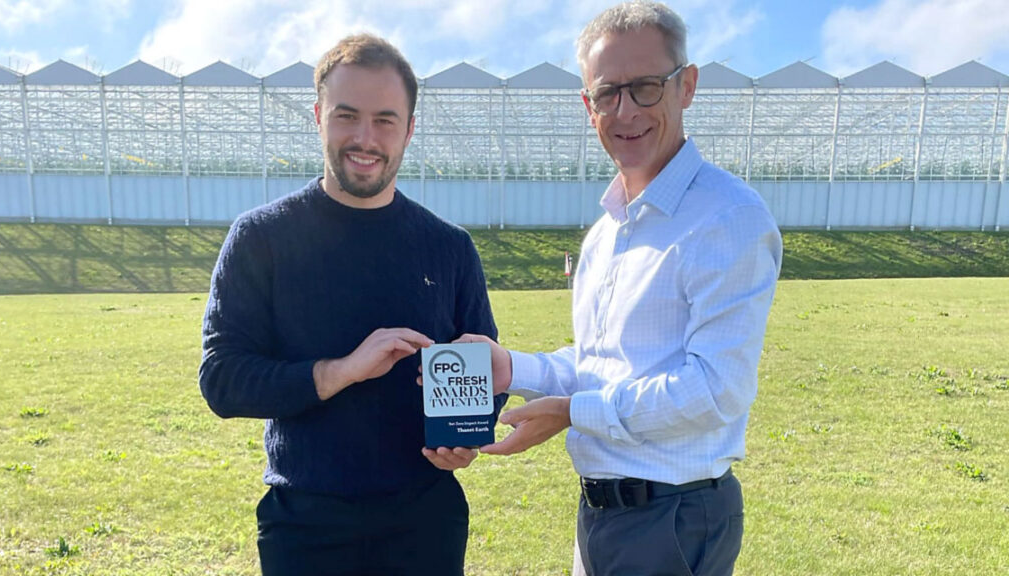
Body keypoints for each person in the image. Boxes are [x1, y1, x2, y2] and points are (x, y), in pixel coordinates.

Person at [459, 2, 783, 575]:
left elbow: (715, 390)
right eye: (608, 93)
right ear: (589, 106)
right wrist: (512, 369)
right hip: (605, 513)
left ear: (687, 86)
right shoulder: (607, 231)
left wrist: (577, 412)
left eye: (646, 87)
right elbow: (602, 363)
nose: (625, 110)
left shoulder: (726, 216)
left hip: (672, 517)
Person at [199, 33, 500, 576]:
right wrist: (338, 372)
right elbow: (221, 380)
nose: (366, 138)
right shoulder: (261, 238)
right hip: (306, 524)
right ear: (318, 116)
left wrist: (470, 434)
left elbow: (485, 366)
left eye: (385, 119)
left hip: (425, 521)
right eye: (347, 116)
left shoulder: (449, 246)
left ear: (409, 130)